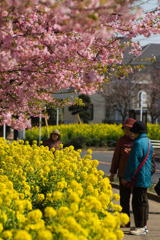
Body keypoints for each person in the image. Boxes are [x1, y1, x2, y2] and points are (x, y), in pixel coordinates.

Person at [122, 121, 153, 236]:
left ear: (137, 132)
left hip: (138, 177)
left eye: (134, 132)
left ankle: (139, 227)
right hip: (146, 176)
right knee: (144, 202)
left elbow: (133, 162)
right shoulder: (148, 142)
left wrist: (126, 177)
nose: (132, 134)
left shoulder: (138, 143)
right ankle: (144, 226)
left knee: (137, 202)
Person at [109, 118, 136, 227]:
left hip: (136, 175)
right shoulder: (121, 140)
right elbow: (116, 157)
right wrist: (112, 173)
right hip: (123, 174)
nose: (127, 132)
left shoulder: (139, 140)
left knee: (137, 200)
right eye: (125, 129)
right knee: (124, 199)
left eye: (129, 129)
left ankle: (141, 222)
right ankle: (125, 222)